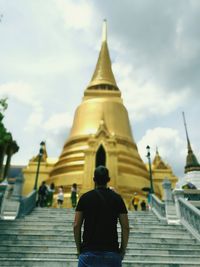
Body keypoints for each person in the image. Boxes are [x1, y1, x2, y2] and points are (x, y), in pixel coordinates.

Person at [73, 165, 129, 267]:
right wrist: (122, 251)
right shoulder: (117, 199)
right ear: (108, 180)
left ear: (94, 179)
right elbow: (125, 227)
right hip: (111, 253)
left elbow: (76, 225)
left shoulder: (85, 198)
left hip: (88, 253)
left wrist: (79, 249)